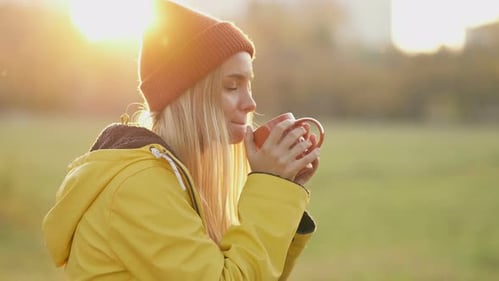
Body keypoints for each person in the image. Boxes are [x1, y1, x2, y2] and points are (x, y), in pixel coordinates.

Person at [42, 1, 321, 280]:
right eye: (232, 86)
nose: (250, 103)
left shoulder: (173, 179)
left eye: (249, 85)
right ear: (189, 96)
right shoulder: (139, 186)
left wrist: (284, 191)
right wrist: (271, 187)